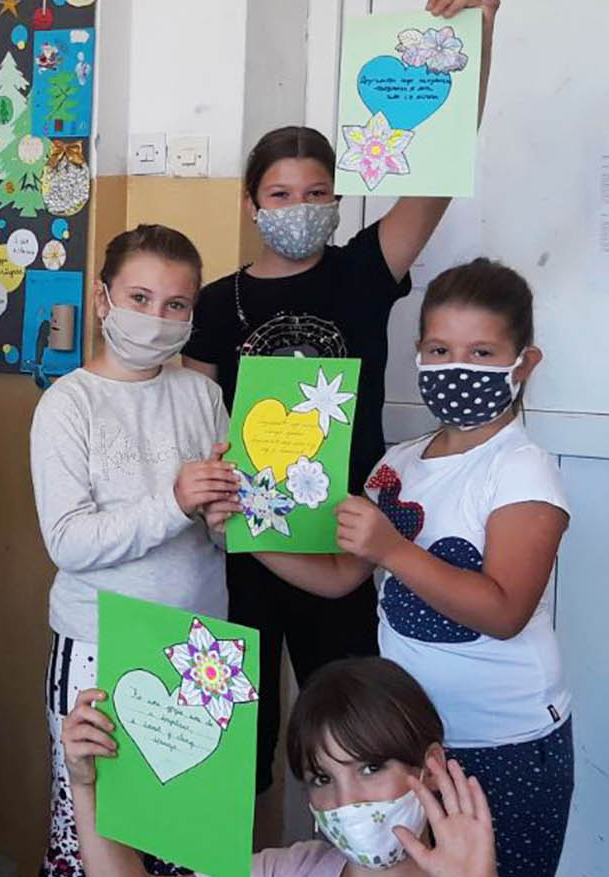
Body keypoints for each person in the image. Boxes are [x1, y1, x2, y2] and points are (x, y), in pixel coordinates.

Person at [183, 0, 502, 796]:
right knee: (236, 750)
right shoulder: (215, 304)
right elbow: (189, 420)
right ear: (252, 204)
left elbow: (439, 169)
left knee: (359, 737)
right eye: (280, 193)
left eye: (317, 191)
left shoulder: (361, 271)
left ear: (337, 198)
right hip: (244, 549)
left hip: (346, 539)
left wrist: (475, 36)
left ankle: (363, 872)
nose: (299, 208)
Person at [235, 259, 571, 877]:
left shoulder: (520, 468)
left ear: (524, 363)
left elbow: (504, 611)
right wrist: (241, 534)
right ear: (418, 354)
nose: (457, 368)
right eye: (440, 350)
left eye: (482, 353)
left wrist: (393, 550)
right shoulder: (400, 463)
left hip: (501, 745)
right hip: (408, 743)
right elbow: (339, 576)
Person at [61, 657, 563, 877]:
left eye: (370, 768)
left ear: (430, 767)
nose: (347, 800)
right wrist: (85, 784)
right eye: (323, 778)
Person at [28, 224, 236, 877]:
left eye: (176, 304)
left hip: (197, 650)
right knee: (78, 840)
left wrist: (229, 518)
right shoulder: (68, 404)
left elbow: (220, 533)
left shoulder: (202, 395)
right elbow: (68, 540)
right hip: (95, 646)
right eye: (140, 297)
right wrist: (175, 502)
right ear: (102, 297)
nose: (156, 318)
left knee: (182, 844)